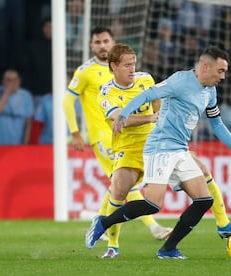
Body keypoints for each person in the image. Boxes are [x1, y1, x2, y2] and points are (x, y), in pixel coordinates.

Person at [85, 45, 231, 259]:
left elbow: (216, 124)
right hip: (154, 147)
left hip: (176, 147)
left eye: (225, 71)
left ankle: (172, 247)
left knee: (204, 198)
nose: (223, 77)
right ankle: (106, 230)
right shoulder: (177, 81)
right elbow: (143, 100)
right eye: (220, 71)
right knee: (144, 201)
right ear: (206, 66)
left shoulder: (208, 91)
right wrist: (129, 116)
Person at [63, 27, 172, 243]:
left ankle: (101, 223)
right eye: (97, 42)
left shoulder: (129, 71)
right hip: (102, 136)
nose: (102, 45)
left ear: (112, 43)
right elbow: (68, 101)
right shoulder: (85, 71)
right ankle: (153, 227)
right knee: (123, 182)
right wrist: (75, 132)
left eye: (106, 41)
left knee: (119, 186)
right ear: (91, 45)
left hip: (129, 135)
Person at [96, 43, 162, 258]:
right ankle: (112, 246)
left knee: (200, 176)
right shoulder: (106, 93)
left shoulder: (146, 79)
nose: (133, 69)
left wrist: (159, 120)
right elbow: (121, 119)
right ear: (114, 66)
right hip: (127, 148)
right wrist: (150, 118)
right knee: (119, 190)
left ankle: (224, 225)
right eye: (127, 65)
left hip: (154, 145)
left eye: (134, 64)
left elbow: (158, 106)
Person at [0, 69, 34, 145]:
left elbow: (29, 122)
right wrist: (6, 93)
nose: (12, 83)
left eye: (15, 80)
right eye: (9, 80)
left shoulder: (25, 95)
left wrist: (26, 142)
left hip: (17, 143)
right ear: (3, 81)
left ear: (19, 81)